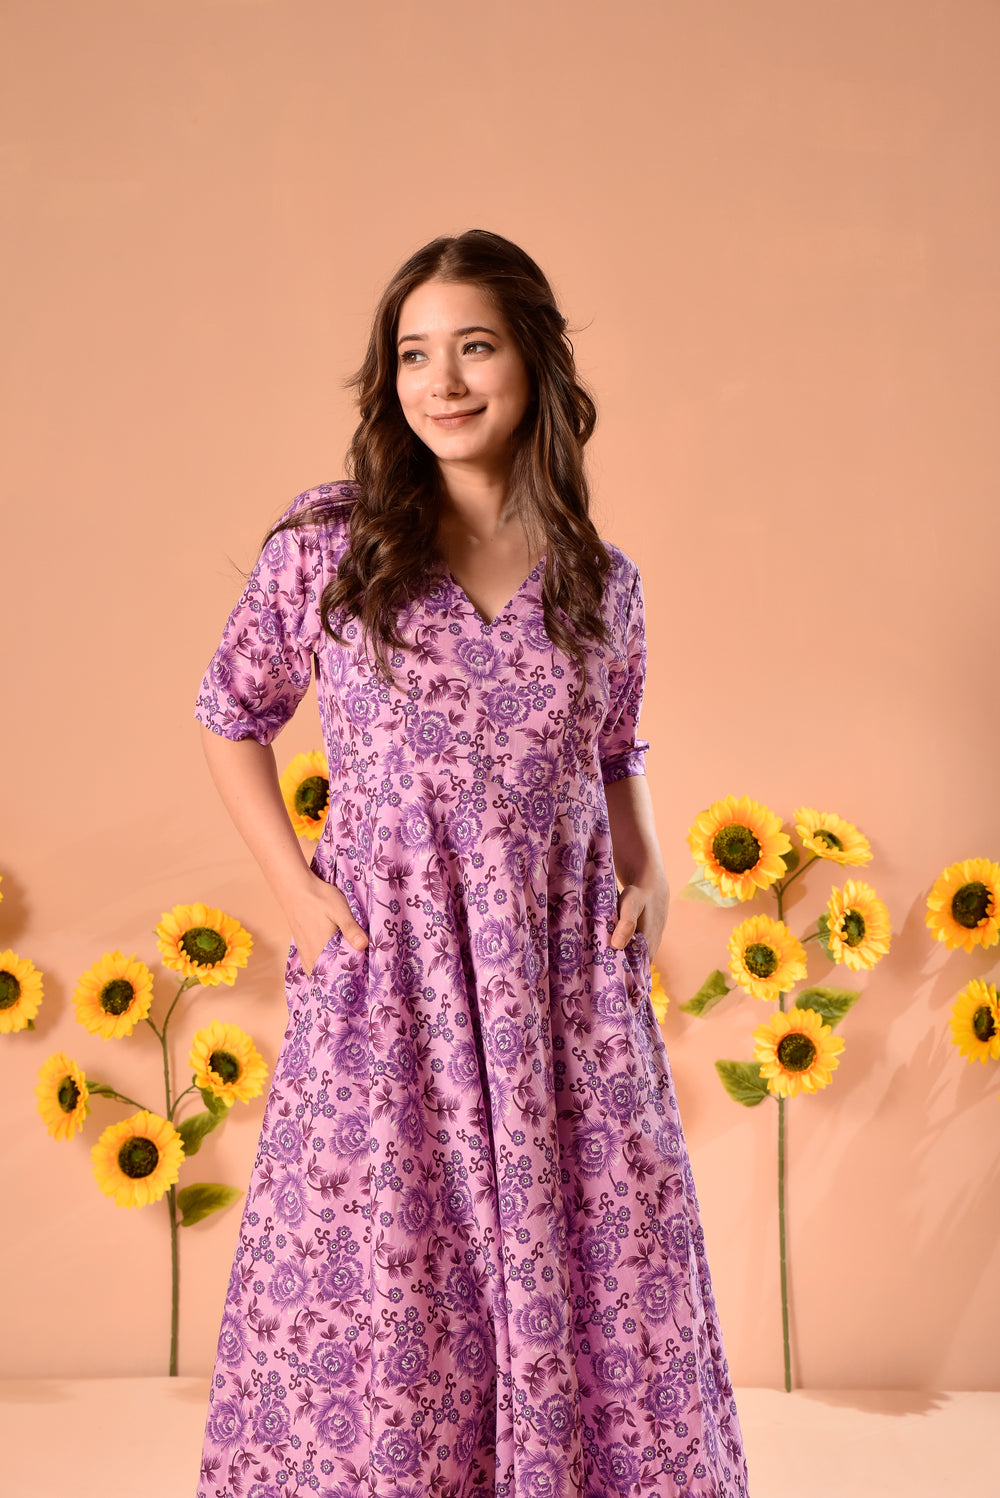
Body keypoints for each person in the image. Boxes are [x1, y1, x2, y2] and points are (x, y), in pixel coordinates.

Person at [193, 230, 749, 1498]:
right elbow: (229, 713)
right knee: (389, 1289)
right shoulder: (331, 549)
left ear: (534, 363)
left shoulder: (601, 582)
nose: (440, 382)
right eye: (413, 354)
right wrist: (298, 896)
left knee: (602, 1278)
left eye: (474, 347)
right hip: (391, 986)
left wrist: (649, 865)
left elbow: (617, 746)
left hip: (560, 993)